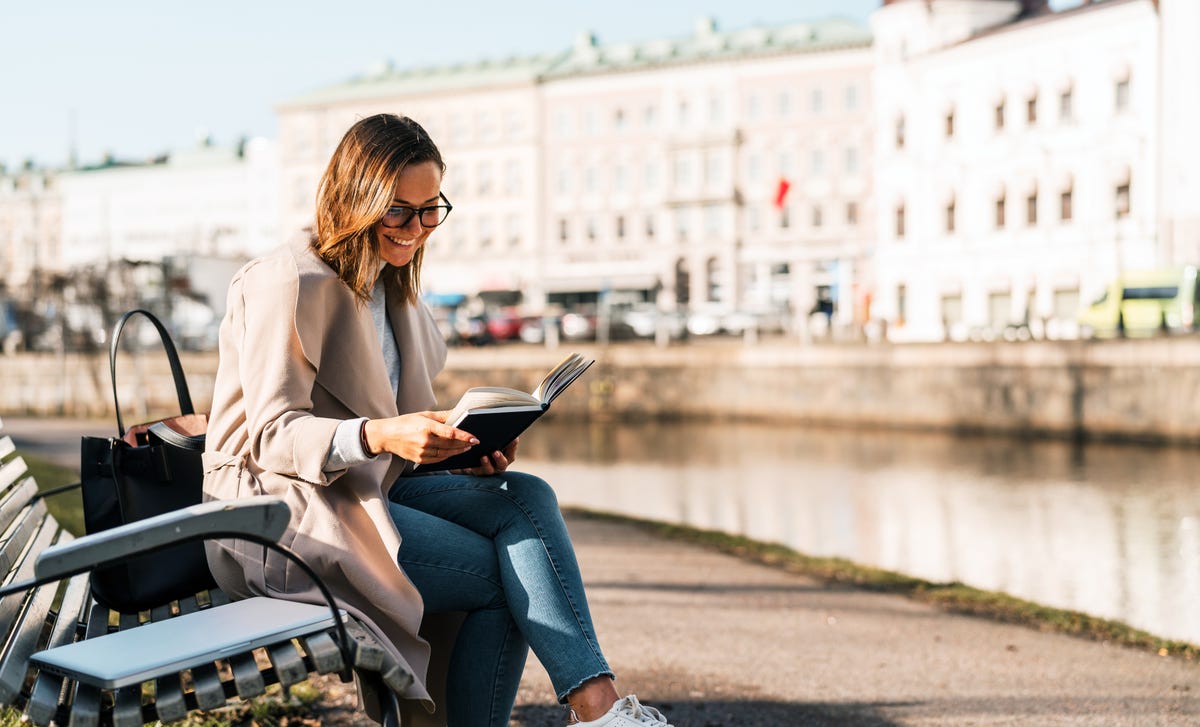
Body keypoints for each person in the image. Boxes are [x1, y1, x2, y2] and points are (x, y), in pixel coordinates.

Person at [201, 113, 673, 727]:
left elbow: (399, 430)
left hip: (365, 489)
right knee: (504, 577)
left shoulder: (397, 296)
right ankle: (598, 711)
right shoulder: (287, 281)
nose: (416, 229)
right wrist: (378, 432)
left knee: (524, 493)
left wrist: (464, 446)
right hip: (280, 513)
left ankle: (597, 708)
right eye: (398, 211)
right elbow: (270, 434)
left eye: (430, 211)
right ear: (355, 198)